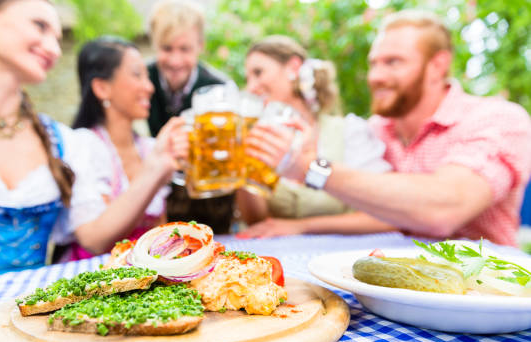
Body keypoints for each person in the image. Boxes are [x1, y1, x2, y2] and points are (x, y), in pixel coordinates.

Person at [0, 0, 184, 291]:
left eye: (58, 39)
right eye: (40, 26)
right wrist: (1, 298)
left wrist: (156, 168)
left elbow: (94, 238)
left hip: (25, 324)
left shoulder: (63, 141)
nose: (55, 49)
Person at [245, 10, 531, 247]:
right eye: (373, 64)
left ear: (437, 66)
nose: (376, 77)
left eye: (393, 62)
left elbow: (444, 208)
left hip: (484, 292)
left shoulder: (498, 119)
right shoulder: (376, 130)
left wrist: (311, 167)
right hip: (395, 281)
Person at [237, 35, 394, 238]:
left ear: (293, 67)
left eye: (258, 72)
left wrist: (302, 226)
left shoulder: (348, 131)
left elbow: (389, 214)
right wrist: (240, 168)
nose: (251, 87)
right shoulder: (257, 137)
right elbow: (256, 221)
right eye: (248, 78)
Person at [59, 36, 187, 261]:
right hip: (94, 279)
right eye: (137, 74)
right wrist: (156, 170)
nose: (149, 87)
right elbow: (93, 240)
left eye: (148, 76)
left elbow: (161, 231)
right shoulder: (83, 146)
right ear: (101, 87)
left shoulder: (149, 148)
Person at [146, 0, 235, 234]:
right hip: (156, 202)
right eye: (167, 48)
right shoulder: (142, 81)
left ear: (200, 46)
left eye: (184, 49)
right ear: (155, 45)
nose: (175, 61)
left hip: (212, 206)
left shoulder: (220, 88)